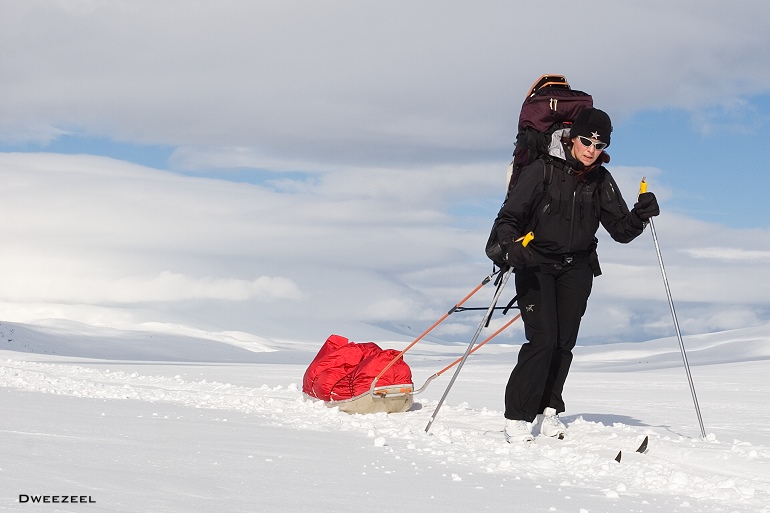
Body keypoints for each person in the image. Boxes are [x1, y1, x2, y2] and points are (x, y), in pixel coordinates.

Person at [493, 107, 660, 442]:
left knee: (564, 343)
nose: (591, 150)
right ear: (572, 137)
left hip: (577, 268)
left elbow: (620, 230)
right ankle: (517, 417)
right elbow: (508, 218)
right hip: (536, 263)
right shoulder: (542, 170)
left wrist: (641, 215)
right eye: (586, 141)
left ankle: (548, 410)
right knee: (543, 340)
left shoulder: (599, 179)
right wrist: (511, 247)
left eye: (599, 146)